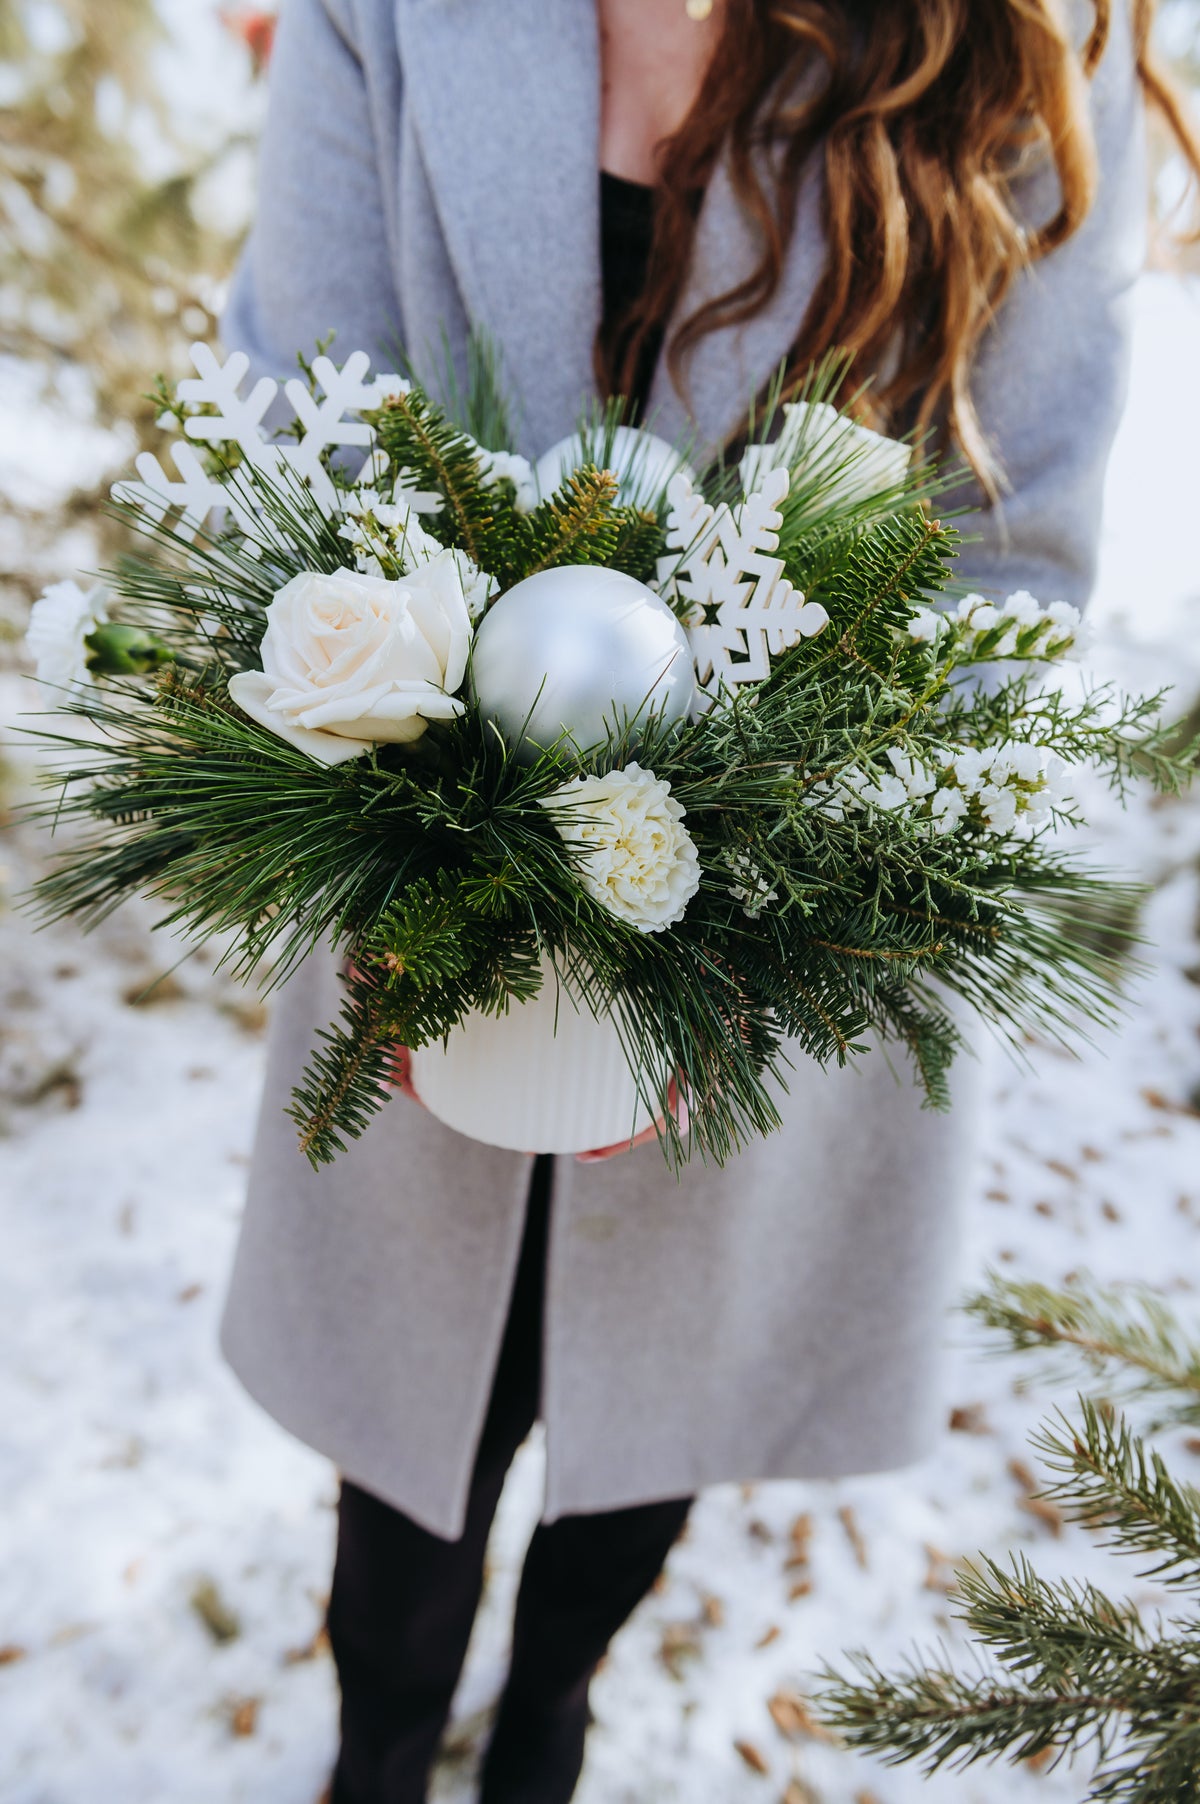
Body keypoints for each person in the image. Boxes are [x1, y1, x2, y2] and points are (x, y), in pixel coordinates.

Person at [218, 2, 1199, 1800]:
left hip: (786, 930)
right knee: (415, 1416)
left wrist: (742, 961)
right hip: (416, 883)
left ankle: (552, 1714)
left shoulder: (1016, 46)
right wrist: (399, 862)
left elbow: (1010, 552)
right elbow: (303, 422)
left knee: (652, 1385)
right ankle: (378, 1729)